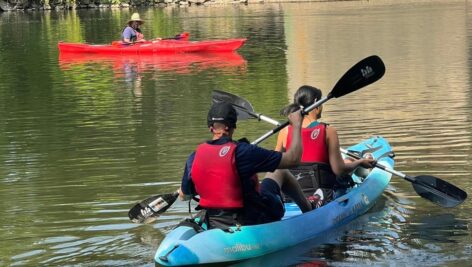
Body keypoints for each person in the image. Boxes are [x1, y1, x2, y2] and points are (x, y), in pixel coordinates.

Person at [179, 101, 312, 230]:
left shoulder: (194, 156)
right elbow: (293, 159)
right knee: (279, 171)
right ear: (233, 126)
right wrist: (296, 125)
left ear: (210, 128)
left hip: (214, 222)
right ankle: (310, 211)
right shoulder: (244, 151)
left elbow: (185, 195)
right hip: (252, 221)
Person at [275, 85, 375, 207]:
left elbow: (275, 166)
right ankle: (363, 171)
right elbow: (339, 170)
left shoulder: (284, 131)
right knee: (348, 161)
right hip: (322, 194)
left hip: (292, 194)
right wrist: (360, 162)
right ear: (317, 103)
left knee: (347, 161)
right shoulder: (328, 131)